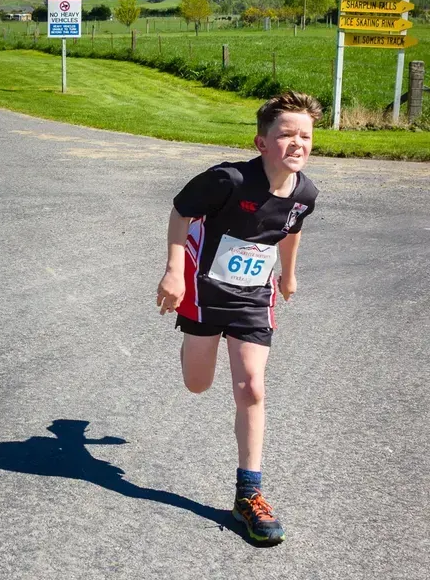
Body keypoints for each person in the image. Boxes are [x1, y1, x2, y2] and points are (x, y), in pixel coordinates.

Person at [156, 91, 321, 545]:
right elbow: (180, 211)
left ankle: (249, 494)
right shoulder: (227, 180)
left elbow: (290, 230)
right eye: (286, 134)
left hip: (253, 299)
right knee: (198, 384)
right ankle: (192, 343)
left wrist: (288, 276)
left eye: (305, 135)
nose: (297, 143)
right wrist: (173, 273)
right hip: (204, 293)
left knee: (251, 387)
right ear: (261, 142)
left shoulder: (305, 191)